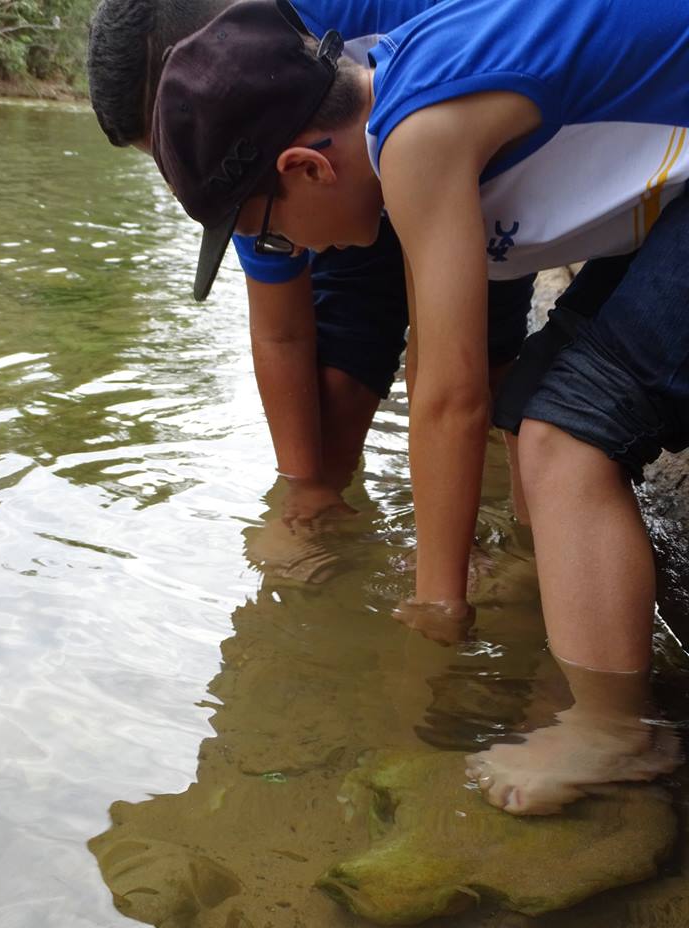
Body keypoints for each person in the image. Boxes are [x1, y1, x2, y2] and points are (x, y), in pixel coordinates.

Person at [149, 0, 688, 812]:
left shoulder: (417, 136)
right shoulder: (396, 90)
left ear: (307, 168)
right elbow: (443, 369)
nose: (297, 254)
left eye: (275, 234)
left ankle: (615, 732)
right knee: (533, 407)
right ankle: (581, 630)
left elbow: (450, 394)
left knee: (566, 432)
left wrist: (438, 606)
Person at [87, 0, 534, 534]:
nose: (182, 175)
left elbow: (445, 374)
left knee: (481, 361)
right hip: (327, 195)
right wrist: (305, 490)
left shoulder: (367, 24)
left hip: (457, 156)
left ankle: (511, 535)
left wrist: (445, 561)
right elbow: (281, 332)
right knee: (331, 409)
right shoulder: (235, 162)